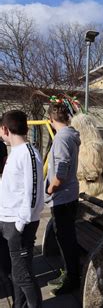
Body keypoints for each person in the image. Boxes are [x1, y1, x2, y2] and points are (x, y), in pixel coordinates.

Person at [0, 110, 44, 307]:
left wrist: (19, 225)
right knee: (18, 274)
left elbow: (33, 193)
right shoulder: (16, 152)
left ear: (5, 129)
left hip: (19, 224)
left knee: (23, 276)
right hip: (9, 221)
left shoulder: (27, 153)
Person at [45, 102, 82, 295]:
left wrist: (50, 189)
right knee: (66, 238)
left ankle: (72, 279)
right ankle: (68, 272)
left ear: (51, 120)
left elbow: (62, 170)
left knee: (66, 240)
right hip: (68, 196)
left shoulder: (61, 138)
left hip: (62, 197)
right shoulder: (70, 135)